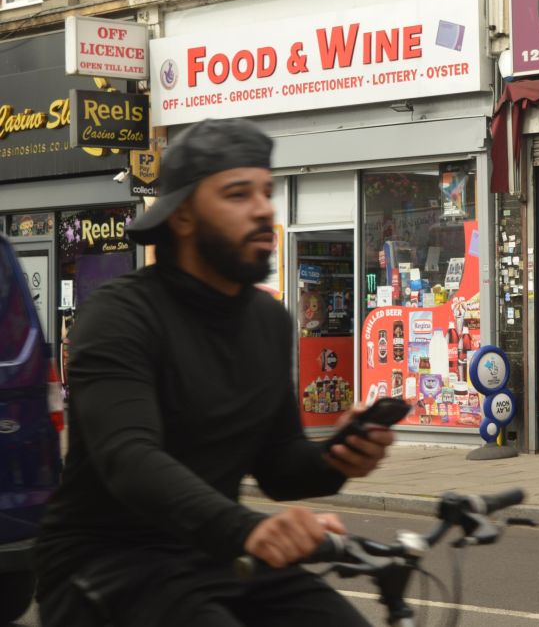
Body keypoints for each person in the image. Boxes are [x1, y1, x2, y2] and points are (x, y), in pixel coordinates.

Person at [33, 119, 393, 627]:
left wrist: (339, 458)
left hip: (212, 553)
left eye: (266, 192)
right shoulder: (120, 316)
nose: (264, 208)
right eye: (237, 194)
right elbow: (129, 458)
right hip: (107, 565)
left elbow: (279, 466)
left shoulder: (268, 321)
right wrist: (247, 529)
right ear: (182, 216)